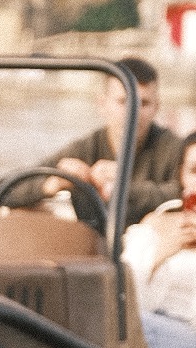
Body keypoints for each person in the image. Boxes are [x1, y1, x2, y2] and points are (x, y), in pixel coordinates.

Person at [11, 56, 183, 226]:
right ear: (102, 104)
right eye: (123, 101)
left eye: (143, 103)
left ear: (156, 107)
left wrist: (123, 187)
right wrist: (52, 183)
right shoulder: (85, 148)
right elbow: (4, 189)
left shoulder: (175, 149)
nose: (133, 113)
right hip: (93, 247)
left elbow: (188, 192)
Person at [122, 132, 196, 324]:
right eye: (194, 171)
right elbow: (123, 297)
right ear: (182, 175)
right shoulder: (155, 224)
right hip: (152, 324)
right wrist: (161, 252)